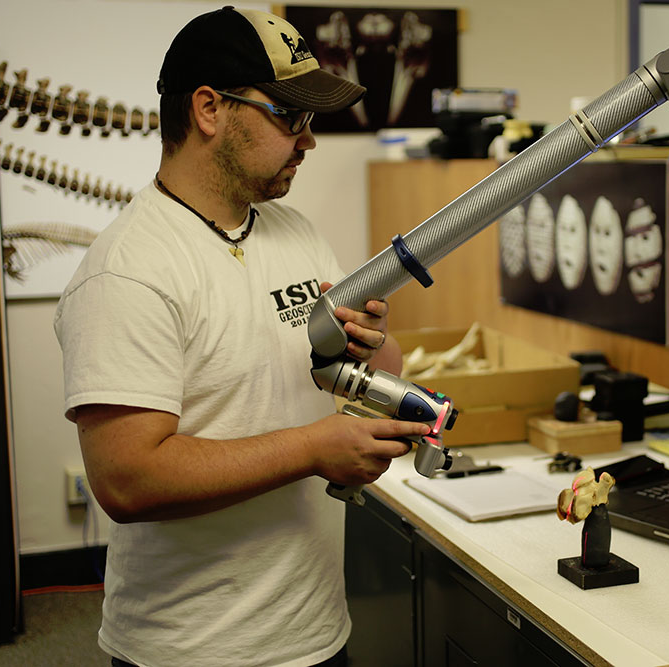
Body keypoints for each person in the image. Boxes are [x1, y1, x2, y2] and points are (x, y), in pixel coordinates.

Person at [53, 7, 429, 666]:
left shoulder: (295, 232)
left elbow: (375, 369)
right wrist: (315, 446)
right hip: (192, 650)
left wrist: (374, 347)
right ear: (209, 109)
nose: (308, 140)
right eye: (290, 116)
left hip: (315, 631)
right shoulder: (128, 269)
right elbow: (127, 478)